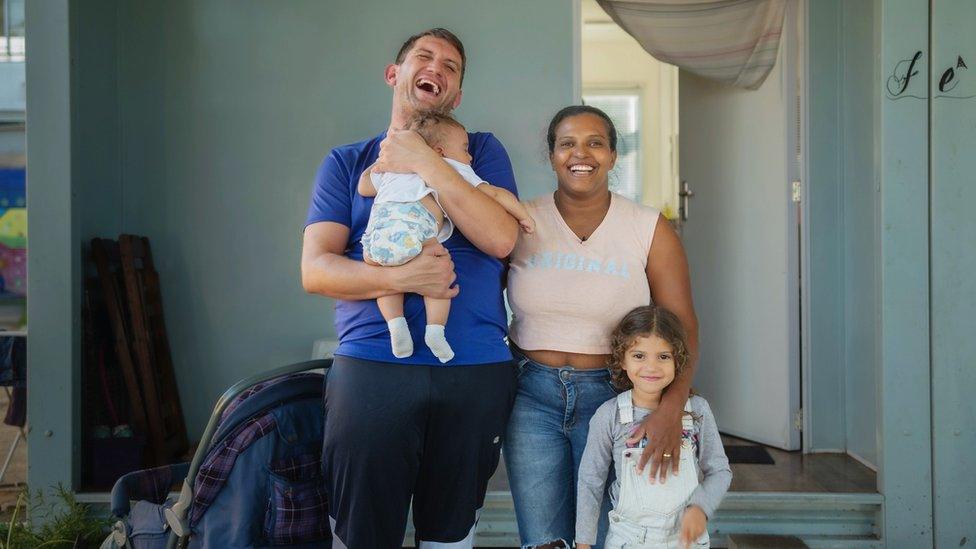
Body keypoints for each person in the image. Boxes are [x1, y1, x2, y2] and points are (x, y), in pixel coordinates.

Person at [301, 28, 520, 548]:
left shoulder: (480, 151)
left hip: (473, 368)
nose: (437, 68)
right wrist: (399, 279)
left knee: (450, 533)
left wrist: (428, 160)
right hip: (374, 365)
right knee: (362, 533)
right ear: (394, 74)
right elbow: (316, 271)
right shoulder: (349, 162)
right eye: (425, 57)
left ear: (457, 94)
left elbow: (501, 238)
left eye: (451, 66)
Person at [504, 105, 700, 548]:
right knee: (543, 539)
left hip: (618, 398)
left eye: (596, 143)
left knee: (614, 535)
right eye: (567, 143)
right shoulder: (520, 220)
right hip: (529, 398)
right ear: (552, 155)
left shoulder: (648, 227)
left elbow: (683, 327)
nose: (581, 154)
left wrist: (671, 409)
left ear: (613, 155)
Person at [358, 111, 534, 362]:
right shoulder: (454, 168)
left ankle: (395, 324)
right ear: (439, 152)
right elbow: (494, 194)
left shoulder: (391, 170)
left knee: (386, 280)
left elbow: (364, 187)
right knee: (439, 272)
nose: (469, 155)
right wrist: (523, 215)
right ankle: (436, 331)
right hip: (417, 234)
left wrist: (378, 164)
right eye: (464, 148)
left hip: (379, 237)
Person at [576, 306, 731, 549]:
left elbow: (720, 470)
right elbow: (590, 481)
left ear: (677, 360)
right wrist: (583, 543)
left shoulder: (697, 411)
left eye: (663, 356)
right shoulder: (609, 415)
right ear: (622, 360)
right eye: (639, 355)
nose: (651, 367)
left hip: (686, 542)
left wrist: (700, 508)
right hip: (627, 540)